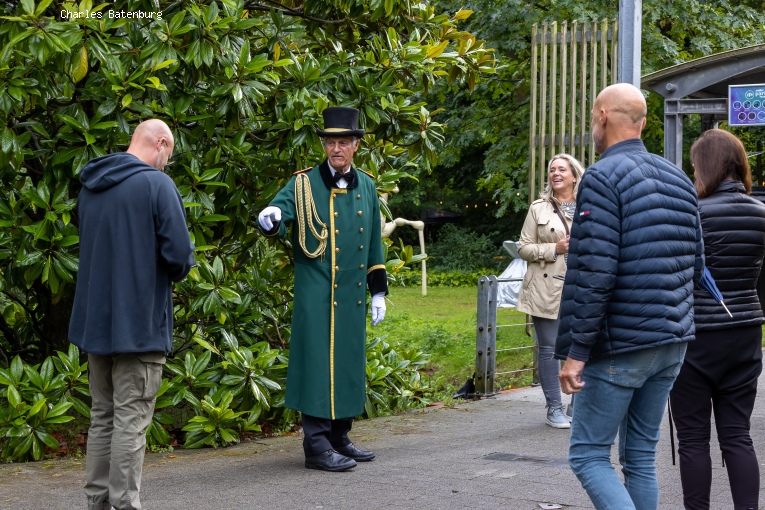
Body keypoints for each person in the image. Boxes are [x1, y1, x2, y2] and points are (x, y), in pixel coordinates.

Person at [555, 83, 704, 510]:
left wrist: (576, 353)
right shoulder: (678, 176)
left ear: (602, 116)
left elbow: (595, 274)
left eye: (591, 117)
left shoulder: (600, 177)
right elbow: (696, 266)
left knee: (587, 455)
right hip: (671, 341)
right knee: (639, 456)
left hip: (618, 345)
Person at [69, 119, 195, 510]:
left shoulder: (90, 187)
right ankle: (125, 506)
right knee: (131, 421)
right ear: (159, 144)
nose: (166, 164)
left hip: (96, 325)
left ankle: (97, 503)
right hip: (139, 326)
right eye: (168, 155)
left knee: (102, 417)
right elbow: (179, 256)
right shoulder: (157, 186)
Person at [257, 106, 388, 472]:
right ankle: (315, 446)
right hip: (316, 289)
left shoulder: (367, 184)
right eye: (331, 142)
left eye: (343, 142)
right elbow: (279, 214)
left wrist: (377, 291)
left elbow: (374, 241)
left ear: (355, 146)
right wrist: (271, 219)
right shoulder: (303, 183)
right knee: (316, 364)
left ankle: (339, 437)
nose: (336, 149)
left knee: (347, 363)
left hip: (350, 292)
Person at [668, 129, 765, 510]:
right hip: (745, 334)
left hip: (697, 337)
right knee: (738, 435)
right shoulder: (762, 214)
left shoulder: (692, 214)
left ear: (705, 167)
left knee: (693, 439)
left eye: (695, 167)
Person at [517, 153, 585, 428]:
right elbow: (523, 247)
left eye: (562, 169)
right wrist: (554, 249)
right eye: (552, 170)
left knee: (584, 343)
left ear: (574, 175)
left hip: (582, 285)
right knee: (549, 348)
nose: (555, 173)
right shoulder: (538, 208)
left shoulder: (589, 206)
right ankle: (553, 408)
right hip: (546, 285)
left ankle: (576, 406)